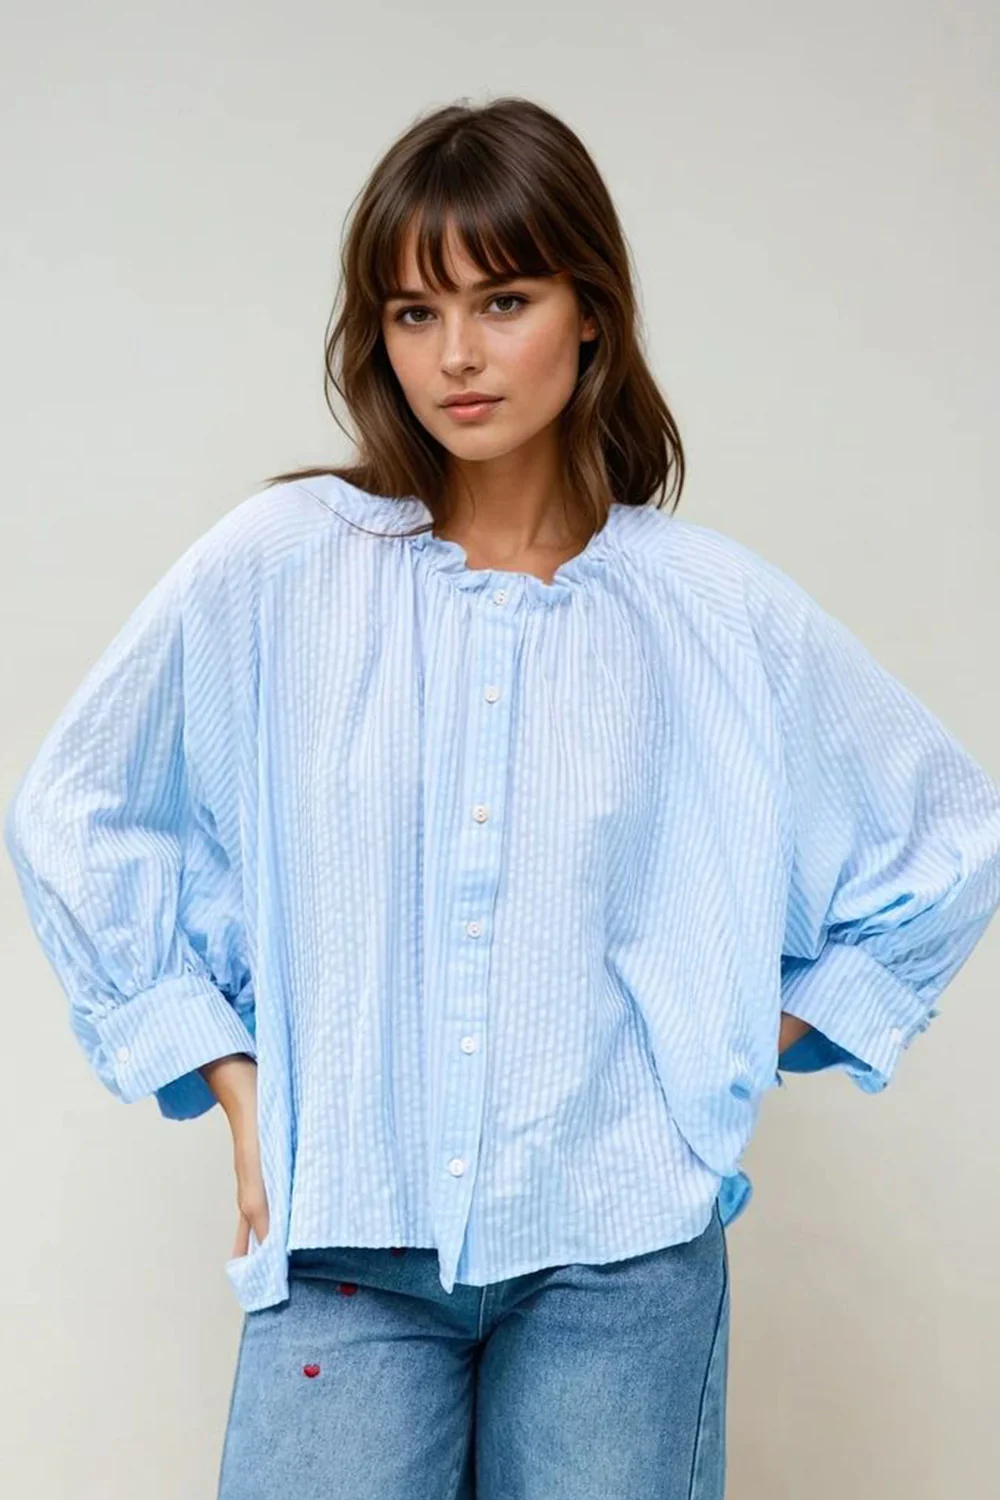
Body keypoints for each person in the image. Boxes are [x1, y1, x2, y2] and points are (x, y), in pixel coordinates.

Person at [5, 95, 1000, 1500]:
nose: (457, 356)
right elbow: (75, 806)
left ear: (591, 314)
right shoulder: (279, 569)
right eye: (414, 313)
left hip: (623, 1260)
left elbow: (950, 839)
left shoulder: (707, 610)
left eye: (503, 301)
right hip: (346, 1249)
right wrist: (234, 1083)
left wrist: (717, 1048)